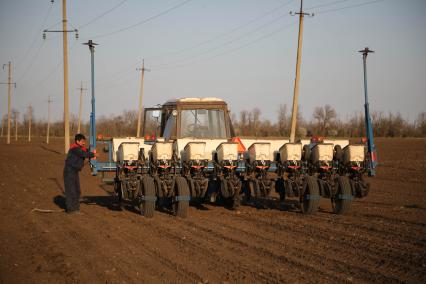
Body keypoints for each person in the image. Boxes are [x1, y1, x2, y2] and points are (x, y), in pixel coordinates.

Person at [63, 134, 96, 214]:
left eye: (84, 141)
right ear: (77, 141)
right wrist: (93, 154)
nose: (84, 143)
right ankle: (71, 209)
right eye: (82, 141)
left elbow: (85, 151)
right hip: (69, 171)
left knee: (77, 190)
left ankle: (75, 208)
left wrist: (91, 150)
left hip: (74, 171)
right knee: (71, 190)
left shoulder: (80, 148)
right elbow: (83, 154)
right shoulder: (75, 148)